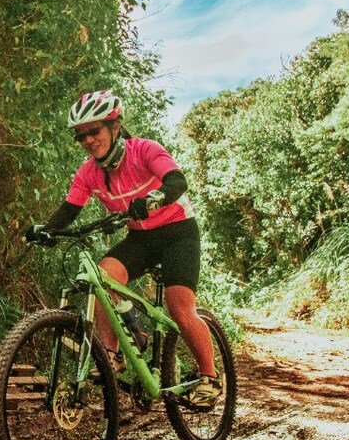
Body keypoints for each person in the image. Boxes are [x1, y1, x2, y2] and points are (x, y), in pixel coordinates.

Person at [25, 88, 221, 407]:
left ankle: (210, 377)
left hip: (178, 233)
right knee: (102, 277)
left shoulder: (145, 150)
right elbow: (69, 209)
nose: (88, 140)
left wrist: (154, 199)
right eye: (80, 136)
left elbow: (176, 182)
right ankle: (113, 359)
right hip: (141, 238)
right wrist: (45, 229)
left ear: (115, 126)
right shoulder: (89, 172)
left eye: (94, 130)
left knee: (180, 307)